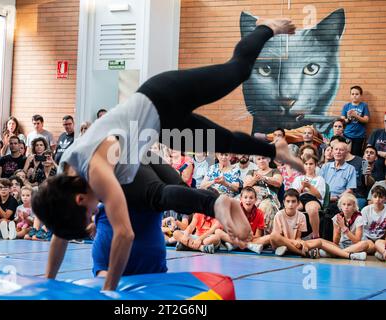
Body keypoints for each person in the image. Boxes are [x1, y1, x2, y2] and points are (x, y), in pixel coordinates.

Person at [33, 18, 302, 291]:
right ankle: (274, 149)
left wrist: (109, 291)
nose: (94, 214)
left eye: (90, 214)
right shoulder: (66, 177)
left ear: (80, 199)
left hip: (163, 96)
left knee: (237, 70)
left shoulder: (96, 170)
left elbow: (124, 233)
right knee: (226, 141)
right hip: (162, 126)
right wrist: (47, 283)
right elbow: (59, 231)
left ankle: (266, 28)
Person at [319, 139, 357, 240]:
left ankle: (326, 243)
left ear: (346, 152)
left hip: (340, 200)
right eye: (336, 149)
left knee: (329, 214)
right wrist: (326, 197)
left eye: (341, 150)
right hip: (323, 198)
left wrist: (336, 198)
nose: (338, 152)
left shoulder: (350, 169)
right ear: (332, 151)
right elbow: (319, 184)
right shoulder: (325, 167)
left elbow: (349, 190)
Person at [315, 192, 367, 260]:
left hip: (354, 246)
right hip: (341, 245)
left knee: (365, 244)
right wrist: (338, 230)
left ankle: (337, 253)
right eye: (344, 204)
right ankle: (349, 255)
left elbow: (357, 241)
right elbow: (335, 242)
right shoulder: (337, 218)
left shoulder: (359, 218)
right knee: (320, 241)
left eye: (349, 205)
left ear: (354, 206)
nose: (346, 207)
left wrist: (344, 228)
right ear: (340, 206)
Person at [216, 187, 267, 254]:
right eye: (245, 197)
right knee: (218, 231)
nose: (248, 200)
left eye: (251, 198)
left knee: (269, 238)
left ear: (255, 200)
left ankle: (237, 245)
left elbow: (258, 236)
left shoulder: (260, 213)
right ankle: (249, 246)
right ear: (241, 199)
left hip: (252, 239)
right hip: (236, 238)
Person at [243, 155, 283, 234]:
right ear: (256, 162)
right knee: (237, 203)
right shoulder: (251, 172)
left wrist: (264, 178)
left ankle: (264, 236)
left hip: (269, 197)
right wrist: (255, 179)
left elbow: (278, 182)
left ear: (268, 159)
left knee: (264, 206)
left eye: (263, 158)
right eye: (259, 159)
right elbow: (245, 186)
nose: (261, 160)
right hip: (252, 196)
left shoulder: (274, 171)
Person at [291, 154, 326, 239]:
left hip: (313, 199)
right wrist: (302, 187)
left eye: (311, 164)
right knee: (291, 208)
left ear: (315, 165)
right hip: (300, 198)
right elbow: (293, 194)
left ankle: (315, 235)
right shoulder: (298, 178)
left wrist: (309, 186)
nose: (308, 166)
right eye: (306, 164)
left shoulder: (320, 179)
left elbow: (320, 196)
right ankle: (291, 236)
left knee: (312, 209)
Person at [269, 189, 309, 256]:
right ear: (284, 202)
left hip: (294, 243)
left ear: (298, 203)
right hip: (281, 243)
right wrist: (293, 241)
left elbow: (298, 237)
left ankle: (290, 249)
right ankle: (300, 252)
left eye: (293, 201)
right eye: (288, 201)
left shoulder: (302, 216)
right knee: (273, 236)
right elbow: (277, 236)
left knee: (314, 242)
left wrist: (299, 242)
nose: (290, 204)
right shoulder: (279, 215)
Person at [341, 86, 369, 157]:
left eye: (357, 94)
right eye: (352, 94)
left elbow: (366, 120)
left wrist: (356, 116)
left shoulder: (364, 106)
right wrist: (349, 118)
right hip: (347, 135)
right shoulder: (346, 106)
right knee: (345, 154)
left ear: (360, 95)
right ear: (350, 95)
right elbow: (342, 120)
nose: (354, 96)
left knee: (356, 156)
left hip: (359, 136)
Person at [367, 112, 386, 182]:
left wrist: (376, 152)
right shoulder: (376, 133)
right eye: (385, 121)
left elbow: (372, 152)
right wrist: (382, 153)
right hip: (373, 169)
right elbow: (367, 151)